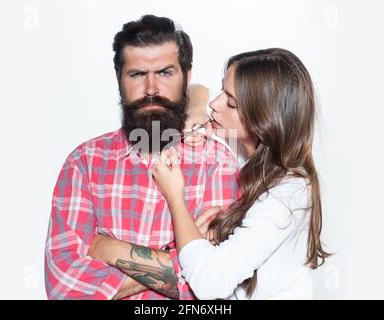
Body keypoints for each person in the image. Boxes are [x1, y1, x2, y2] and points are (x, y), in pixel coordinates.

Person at [44, 15, 239, 300]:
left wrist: (110, 250)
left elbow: (214, 285)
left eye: (165, 73)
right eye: (137, 74)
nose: (151, 89)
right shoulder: (84, 163)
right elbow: (64, 287)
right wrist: (178, 256)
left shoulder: (216, 163)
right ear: (119, 79)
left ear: (187, 77)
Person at [151, 48, 331, 299]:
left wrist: (174, 197)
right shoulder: (246, 145)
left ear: (263, 120)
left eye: (231, 102)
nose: (215, 104)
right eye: (222, 90)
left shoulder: (289, 194)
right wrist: (195, 113)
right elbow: (198, 90)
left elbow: (211, 282)